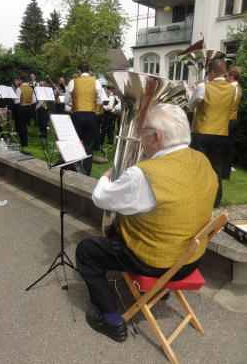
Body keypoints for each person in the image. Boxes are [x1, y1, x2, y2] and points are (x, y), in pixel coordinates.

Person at [75, 103, 218, 342]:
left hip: (158, 264)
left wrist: (105, 176)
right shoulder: (202, 159)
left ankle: (112, 321)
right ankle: (160, 292)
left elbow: (101, 199)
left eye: (142, 132)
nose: (140, 137)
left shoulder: (142, 174)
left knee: (86, 250)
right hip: (191, 259)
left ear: (156, 137)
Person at [188, 59, 236, 207]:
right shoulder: (233, 90)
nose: (207, 75)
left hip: (201, 132)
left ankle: (196, 198)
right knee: (216, 168)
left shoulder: (203, 87)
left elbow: (191, 105)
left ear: (213, 72)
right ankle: (215, 201)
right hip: (221, 133)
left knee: (198, 167)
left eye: (208, 72)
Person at [64, 62, 102, 176]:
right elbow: (100, 101)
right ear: (89, 71)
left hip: (77, 116)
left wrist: (76, 103)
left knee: (76, 143)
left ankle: (76, 170)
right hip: (91, 115)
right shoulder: (96, 82)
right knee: (89, 146)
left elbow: (66, 101)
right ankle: (87, 174)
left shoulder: (72, 82)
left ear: (79, 71)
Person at [223, 66, 243, 179]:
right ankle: (225, 174)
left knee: (222, 146)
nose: (225, 78)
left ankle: (222, 171)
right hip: (234, 119)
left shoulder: (231, 89)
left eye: (226, 76)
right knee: (229, 147)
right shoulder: (238, 88)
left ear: (231, 77)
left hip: (228, 120)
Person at [14, 74, 36, 146]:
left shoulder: (19, 88)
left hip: (21, 108)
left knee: (21, 126)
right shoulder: (30, 88)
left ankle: (23, 143)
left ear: (21, 80)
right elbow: (34, 101)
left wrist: (13, 99)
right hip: (28, 109)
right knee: (26, 125)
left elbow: (17, 101)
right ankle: (25, 140)